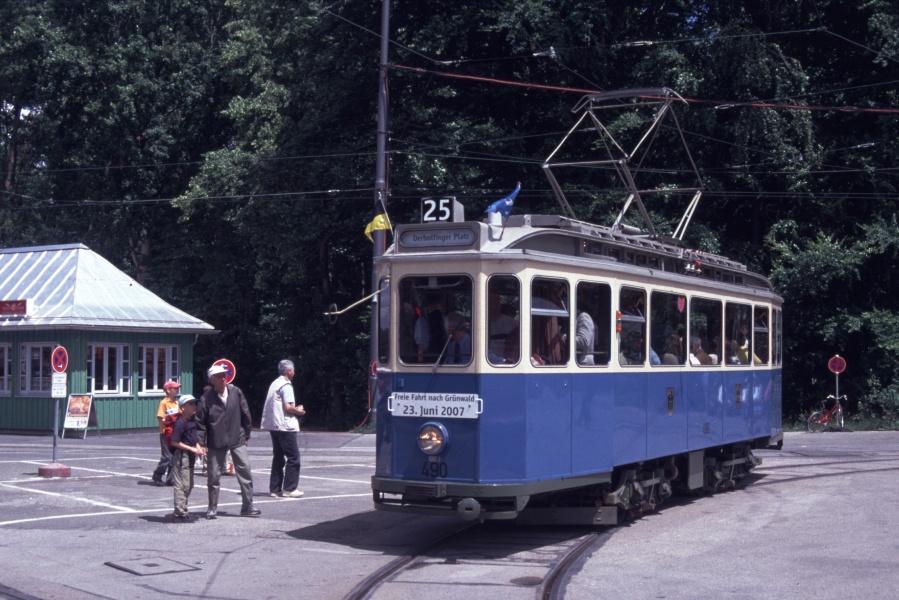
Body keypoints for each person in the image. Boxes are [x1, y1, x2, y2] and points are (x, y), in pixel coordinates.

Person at [196, 364, 259, 519]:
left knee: (245, 471)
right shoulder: (206, 399)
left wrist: (246, 435)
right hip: (215, 441)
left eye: (224, 375)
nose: (223, 378)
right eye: (219, 376)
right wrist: (201, 443)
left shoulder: (236, 392)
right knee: (214, 476)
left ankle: (248, 505)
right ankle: (212, 507)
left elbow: (246, 413)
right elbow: (200, 424)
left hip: (237, 437)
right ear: (212, 380)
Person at [261, 359, 306, 498]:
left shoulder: (275, 383)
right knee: (294, 457)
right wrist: (298, 411)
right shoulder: (286, 385)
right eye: (293, 369)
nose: (294, 372)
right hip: (285, 426)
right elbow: (287, 407)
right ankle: (290, 488)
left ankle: (275, 489)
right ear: (288, 371)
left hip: (274, 425)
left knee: (278, 457)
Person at [170, 394, 206, 523]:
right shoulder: (181, 422)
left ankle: (183, 510)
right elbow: (175, 442)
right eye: (191, 404)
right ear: (183, 407)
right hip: (181, 456)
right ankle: (179, 514)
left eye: (194, 403)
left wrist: (198, 447)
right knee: (182, 485)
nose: (194, 406)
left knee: (189, 485)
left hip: (189, 455)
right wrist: (191, 449)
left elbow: (193, 438)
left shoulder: (192, 420)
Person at [151, 380, 181, 486]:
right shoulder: (164, 403)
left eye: (177, 388)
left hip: (175, 433)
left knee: (174, 457)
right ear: (168, 390)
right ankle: (157, 475)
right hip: (165, 433)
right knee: (167, 457)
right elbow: (161, 419)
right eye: (175, 388)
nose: (177, 390)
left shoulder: (177, 403)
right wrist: (171, 421)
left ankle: (171, 479)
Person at [488, 292, 518, 362]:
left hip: (507, 364)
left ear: (500, 304)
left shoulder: (513, 323)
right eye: (491, 301)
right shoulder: (481, 324)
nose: (493, 303)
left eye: (496, 300)